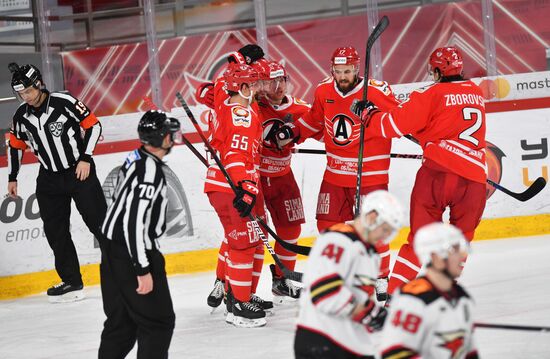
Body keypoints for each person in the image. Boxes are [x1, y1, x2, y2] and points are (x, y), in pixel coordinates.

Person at [355, 46, 487, 296]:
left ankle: (394, 298)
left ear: (437, 71)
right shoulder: (476, 92)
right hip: (474, 180)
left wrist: (368, 115)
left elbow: (391, 125)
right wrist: (427, 135)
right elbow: (448, 123)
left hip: (437, 175)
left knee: (418, 241)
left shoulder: (431, 94)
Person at [276, 46, 400, 301]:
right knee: (326, 223)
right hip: (334, 173)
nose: (342, 76)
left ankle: (381, 275)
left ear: (356, 69)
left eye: (347, 71)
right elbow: (314, 120)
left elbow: (399, 120)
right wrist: (293, 133)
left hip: (370, 174)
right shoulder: (323, 90)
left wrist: (374, 113)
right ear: (332, 69)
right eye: (338, 71)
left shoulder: (376, 91)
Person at [6, 62, 107, 302]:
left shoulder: (64, 102)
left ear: (39, 84)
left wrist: (86, 158)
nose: (26, 97)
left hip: (78, 171)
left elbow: (93, 125)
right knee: (56, 232)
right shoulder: (21, 115)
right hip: (49, 179)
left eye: (28, 91)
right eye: (21, 94)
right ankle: (72, 281)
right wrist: (12, 177)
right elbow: (16, 146)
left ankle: (126, 270)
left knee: (100, 224)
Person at [98, 110, 180, 358]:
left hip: (113, 249)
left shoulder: (136, 156)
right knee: (158, 323)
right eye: (170, 134)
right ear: (163, 139)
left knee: (121, 325)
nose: (173, 138)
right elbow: (133, 222)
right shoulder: (149, 172)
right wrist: (141, 268)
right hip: (132, 252)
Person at [294, 190, 404, 359]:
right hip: (321, 340)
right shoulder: (337, 240)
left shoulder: (370, 253)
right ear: (373, 217)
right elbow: (325, 292)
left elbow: (357, 297)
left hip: (349, 342)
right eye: (385, 229)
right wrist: (369, 313)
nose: (385, 237)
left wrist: (375, 314)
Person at [203, 62, 272, 327]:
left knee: (249, 242)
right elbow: (234, 154)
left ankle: (239, 295)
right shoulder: (241, 113)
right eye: (254, 85)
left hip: (227, 185)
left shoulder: (230, 108)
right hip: (230, 187)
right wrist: (246, 186)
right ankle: (239, 307)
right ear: (242, 88)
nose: (258, 89)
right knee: (242, 245)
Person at [379, 223, 479, 359]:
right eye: (454, 250)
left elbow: (468, 351)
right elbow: (393, 351)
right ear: (436, 257)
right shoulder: (410, 299)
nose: (462, 255)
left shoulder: (462, 298)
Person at [257, 60, 311, 303]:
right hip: (255, 177)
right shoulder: (251, 108)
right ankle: (232, 287)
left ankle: (282, 280)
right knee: (250, 236)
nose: (278, 87)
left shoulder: (299, 108)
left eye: (282, 81)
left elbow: (322, 127)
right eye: (271, 82)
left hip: (282, 176)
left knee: (291, 229)